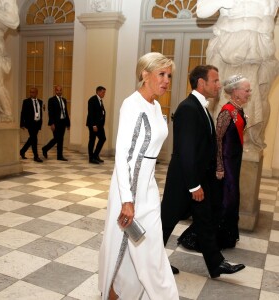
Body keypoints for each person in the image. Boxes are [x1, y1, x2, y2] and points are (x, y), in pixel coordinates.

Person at [98, 52, 179, 300]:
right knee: (123, 249)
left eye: (169, 76)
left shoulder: (156, 106)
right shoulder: (132, 104)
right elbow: (122, 155)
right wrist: (127, 199)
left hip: (149, 188)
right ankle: (113, 293)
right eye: (161, 74)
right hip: (129, 188)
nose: (166, 80)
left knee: (150, 250)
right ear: (145, 75)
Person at [161, 65, 245, 278]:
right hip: (184, 181)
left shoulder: (202, 108)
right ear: (202, 83)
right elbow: (186, 151)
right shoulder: (188, 108)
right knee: (165, 223)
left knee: (205, 222)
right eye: (215, 81)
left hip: (197, 179)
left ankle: (216, 265)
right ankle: (152, 263)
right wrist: (194, 185)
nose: (219, 85)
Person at [196, 0, 279, 151]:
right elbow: (201, 11)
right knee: (220, 96)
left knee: (256, 98)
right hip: (226, 45)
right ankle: (220, 138)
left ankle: (249, 139)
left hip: (257, 48)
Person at [216, 75, 251, 249]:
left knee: (233, 199)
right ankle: (218, 238)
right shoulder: (226, 112)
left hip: (235, 162)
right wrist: (220, 166)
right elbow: (218, 140)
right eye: (246, 90)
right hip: (226, 163)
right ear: (235, 92)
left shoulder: (239, 110)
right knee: (227, 200)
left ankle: (228, 237)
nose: (249, 93)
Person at [42, 85, 70, 161]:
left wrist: (68, 123)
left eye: (60, 90)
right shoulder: (51, 100)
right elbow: (50, 113)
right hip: (55, 123)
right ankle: (45, 148)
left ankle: (59, 156)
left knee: (61, 139)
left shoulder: (64, 100)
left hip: (63, 122)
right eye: (57, 90)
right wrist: (52, 123)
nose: (59, 91)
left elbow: (65, 112)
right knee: (57, 138)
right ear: (55, 91)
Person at [20, 87, 43, 163]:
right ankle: (36, 156)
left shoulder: (40, 102)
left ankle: (22, 151)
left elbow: (40, 112)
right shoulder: (26, 101)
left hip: (37, 123)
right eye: (31, 92)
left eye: (33, 92)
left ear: (36, 93)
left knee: (32, 139)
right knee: (34, 139)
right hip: (30, 123)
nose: (31, 94)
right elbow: (22, 113)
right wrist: (22, 123)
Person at [86, 86, 107, 164]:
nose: (104, 94)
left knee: (103, 138)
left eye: (104, 92)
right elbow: (91, 113)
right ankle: (91, 158)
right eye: (103, 92)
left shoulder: (100, 100)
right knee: (92, 140)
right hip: (93, 125)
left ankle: (95, 155)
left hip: (100, 125)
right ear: (98, 92)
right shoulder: (92, 100)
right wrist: (94, 125)